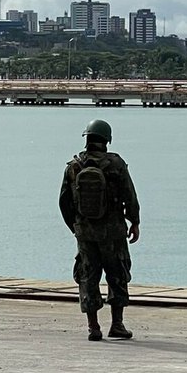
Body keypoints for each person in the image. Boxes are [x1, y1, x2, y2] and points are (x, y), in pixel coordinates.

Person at [59, 119, 140, 341]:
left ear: (86, 139)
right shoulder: (116, 164)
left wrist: (76, 227)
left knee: (88, 277)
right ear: (107, 140)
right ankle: (117, 324)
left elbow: (64, 202)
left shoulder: (73, 167)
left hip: (85, 234)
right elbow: (130, 196)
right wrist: (134, 221)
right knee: (118, 275)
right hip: (113, 233)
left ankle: (93, 327)